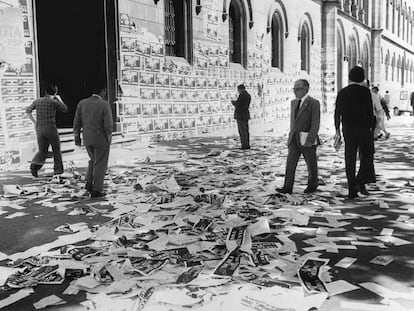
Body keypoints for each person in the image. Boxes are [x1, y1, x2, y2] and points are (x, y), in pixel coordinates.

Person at [334, 67, 375, 199]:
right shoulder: (365, 91)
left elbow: (337, 113)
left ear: (350, 77)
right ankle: (360, 181)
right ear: (362, 78)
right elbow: (370, 111)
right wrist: (371, 128)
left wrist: (337, 129)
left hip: (348, 128)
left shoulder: (342, 92)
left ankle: (352, 188)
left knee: (350, 157)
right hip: (363, 128)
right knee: (366, 156)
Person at [276, 79, 320, 194]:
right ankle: (287, 186)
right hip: (294, 138)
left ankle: (312, 184)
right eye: (294, 89)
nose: (295, 91)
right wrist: (290, 136)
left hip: (306, 138)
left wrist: (311, 139)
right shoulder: (294, 102)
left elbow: (315, 123)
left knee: (311, 163)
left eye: (298, 89)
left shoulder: (313, 103)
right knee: (290, 163)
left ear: (306, 89)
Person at [73, 82, 113, 198]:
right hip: (101, 138)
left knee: (93, 160)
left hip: (87, 138)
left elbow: (76, 122)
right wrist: (109, 136)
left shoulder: (82, 103)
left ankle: (89, 182)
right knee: (100, 163)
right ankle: (97, 189)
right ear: (103, 91)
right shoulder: (104, 104)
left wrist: (77, 137)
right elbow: (108, 124)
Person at [26, 83, 68, 178]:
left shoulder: (37, 101)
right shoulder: (54, 102)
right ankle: (58, 171)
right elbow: (65, 109)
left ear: (45, 91)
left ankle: (35, 165)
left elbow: (28, 110)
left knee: (42, 150)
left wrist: (34, 121)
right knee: (56, 150)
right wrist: (59, 99)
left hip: (39, 128)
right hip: (50, 127)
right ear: (55, 93)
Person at [231, 84, 251, 149]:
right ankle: (247, 144)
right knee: (245, 130)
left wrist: (234, 102)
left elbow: (239, 104)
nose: (238, 91)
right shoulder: (248, 95)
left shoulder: (242, 95)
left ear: (240, 89)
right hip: (245, 114)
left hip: (241, 115)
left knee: (242, 131)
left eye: (238, 90)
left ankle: (244, 145)